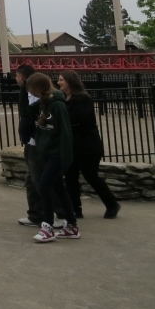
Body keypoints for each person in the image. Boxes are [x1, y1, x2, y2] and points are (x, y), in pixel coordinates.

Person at [58, 70, 120, 219]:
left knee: (91, 176)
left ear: (70, 82)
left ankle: (112, 204)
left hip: (87, 146)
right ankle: (75, 209)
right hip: (72, 145)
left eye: (61, 80)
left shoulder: (82, 99)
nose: (58, 82)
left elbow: (77, 117)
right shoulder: (64, 99)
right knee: (70, 178)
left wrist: (60, 116)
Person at [27, 72, 80, 243]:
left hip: (56, 153)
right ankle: (72, 225)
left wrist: (66, 158)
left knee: (43, 187)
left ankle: (47, 226)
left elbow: (65, 132)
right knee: (59, 189)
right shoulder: (44, 103)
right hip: (47, 151)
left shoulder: (58, 106)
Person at [15, 64, 66, 228]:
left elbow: (29, 114)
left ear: (21, 77)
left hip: (37, 142)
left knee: (40, 181)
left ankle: (60, 214)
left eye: (16, 75)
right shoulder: (29, 92)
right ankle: (35, 213)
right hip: (30, 141)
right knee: (31, 179)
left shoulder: (35, 94)